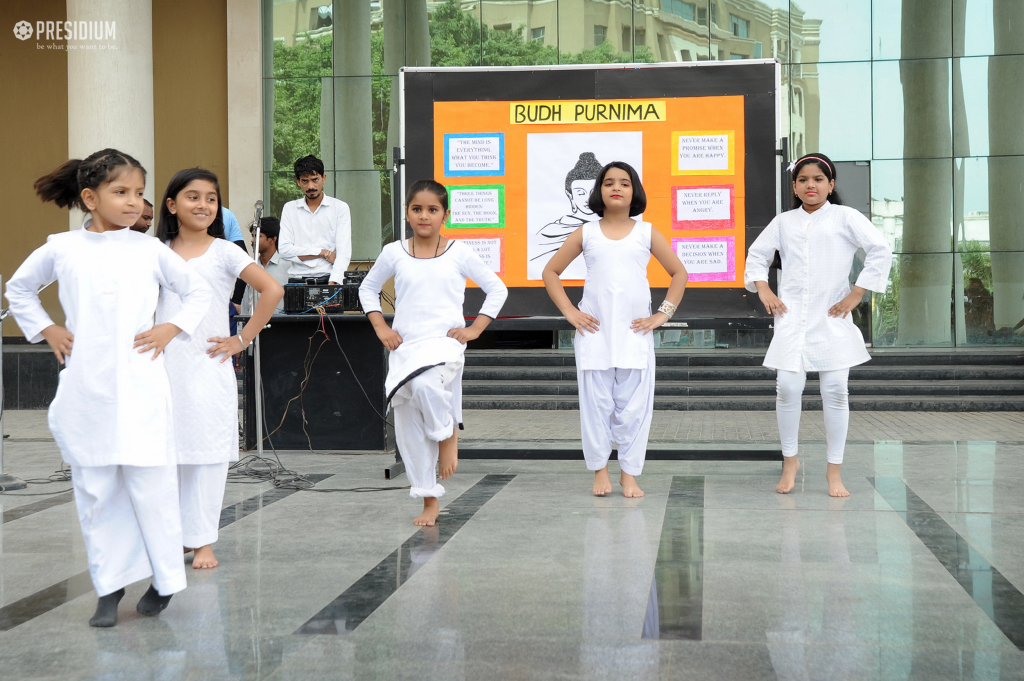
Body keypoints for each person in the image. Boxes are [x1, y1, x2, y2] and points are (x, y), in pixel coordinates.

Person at [4, 149, 213, 627]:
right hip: (88, 386)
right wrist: (47, 329)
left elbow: (196, 291)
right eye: (122, 192)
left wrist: (171, 328)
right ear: (90, 198)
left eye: (139, 193)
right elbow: (18, 289)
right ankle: (109, 585)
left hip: (141, 383)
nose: (134, 202)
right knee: (96, 488)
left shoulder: (150, 249)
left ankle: (163, 580)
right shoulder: (61, 247)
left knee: (150, 484)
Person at [359, 180, 507, 527]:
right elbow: (368, 288)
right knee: (409, 426)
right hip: (406, 347)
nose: (424, 215)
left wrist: (474, 329)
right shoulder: (394, 252)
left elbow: (496, 289)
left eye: (432, 209)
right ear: (408, 213)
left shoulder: (459, 252)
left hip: (444, 347)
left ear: (445, 215)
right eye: (417, 209)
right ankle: (428, 499)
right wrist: (381, 327)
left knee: (426, 386)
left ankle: (447, 436)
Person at [156, 168, 284, 569]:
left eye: (211, 198)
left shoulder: (226, 250)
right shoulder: (155, 251)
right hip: (161, 366)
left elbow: (272, 290)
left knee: (207, 456)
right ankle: (175, 538)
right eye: (193, 197)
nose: (204, 205)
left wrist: (241, 339)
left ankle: (203, 541)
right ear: (172, 205)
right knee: (167, 456)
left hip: (208, 365)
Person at [744, 153, 893, 498]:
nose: (811, 185)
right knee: (787, 389)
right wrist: (763, 288)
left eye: (818, 179)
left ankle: (834, 470)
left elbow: (880, 249)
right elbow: (756, 255)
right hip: (792, 318)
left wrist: (857, 293)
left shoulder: (846, 217)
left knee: (836, 392)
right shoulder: (783, 222)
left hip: (833, 318)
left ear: (831, 184)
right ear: (795, 187)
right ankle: (790, 461)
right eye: (803, 180)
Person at [542, 162, 688, 498]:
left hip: (635, 334)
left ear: (635, 190)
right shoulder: (586, 232)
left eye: (624, 182)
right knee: (596, 405)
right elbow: (551, 272)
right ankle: (599, 472)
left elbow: (679, 274)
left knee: (633, 408)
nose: (616, 188)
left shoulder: (647, 232)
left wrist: (662, 315)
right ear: (599, 192)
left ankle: (630, 475)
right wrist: (570, 311)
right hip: (595, 334)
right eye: (609, 183)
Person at [278, 155, 352, 285]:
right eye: (305, 181)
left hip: (328, 278)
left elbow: (343, 251)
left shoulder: (340, 208)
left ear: (324, 178)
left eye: (315, 179)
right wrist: (322, 253)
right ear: (298, 181)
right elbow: (284, 250)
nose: (311, 186)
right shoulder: (290, 208)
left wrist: (334, 281)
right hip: (297, 280)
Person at [531, 152, 604, 279]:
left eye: (593, 192)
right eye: (580, 193)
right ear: (570, 195)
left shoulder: (615, 227)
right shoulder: (550, 232)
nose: (587, 199)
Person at [242, 216, 290, 314]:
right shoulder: (251, 267)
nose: (252, 240)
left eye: (258, 236)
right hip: (254, 327)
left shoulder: (288, 267)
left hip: (280, 326)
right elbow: (245, 306)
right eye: (252, 236)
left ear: (273, 239)